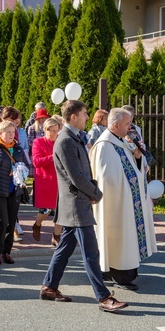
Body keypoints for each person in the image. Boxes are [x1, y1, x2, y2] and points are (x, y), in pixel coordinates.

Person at [39, 100, 129, 312]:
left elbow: (83, 172)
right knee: (91, 252)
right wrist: (95, 192)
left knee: (65, 247)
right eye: (84, 114)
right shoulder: (65, 141)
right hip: (75, 204)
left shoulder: (72, 138)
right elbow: (76, 176)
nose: (87, 117)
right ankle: (104, 297)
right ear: (73, 117)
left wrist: (92, 189)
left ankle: (49, 287)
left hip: (77, 201)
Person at [90, 108, 157, 291]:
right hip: (116, 205)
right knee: (117, 239)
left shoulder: (120, 141)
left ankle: (123, 273)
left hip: (128, 202)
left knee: (126, 238)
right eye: (128, 124)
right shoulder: (104, 145)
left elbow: (134, 168)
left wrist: (137, 157)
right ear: (115, 125)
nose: (130, 128)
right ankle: (117, 275)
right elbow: (105, 180)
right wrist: (126, 190)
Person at [0, 120, 26, 265]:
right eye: (7, 132)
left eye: (12, 132)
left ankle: (7, 251)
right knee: (1, 222)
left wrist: (21, 171)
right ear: (0, 133)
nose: (10, 135)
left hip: (15, 190)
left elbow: (25, 165)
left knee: (11, 222)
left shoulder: (18, 149)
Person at [31, 116, 63, 245]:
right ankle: (37, 224)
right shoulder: (38, 142)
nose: (54, 133)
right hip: (45, 181)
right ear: (45, 130)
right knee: (45, 210)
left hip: (59, 181)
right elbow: (36, 162)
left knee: (60, 211)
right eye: (51, 130)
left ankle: (56, 235)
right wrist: (52, 157)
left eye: (56, 130)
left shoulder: (60, 142)